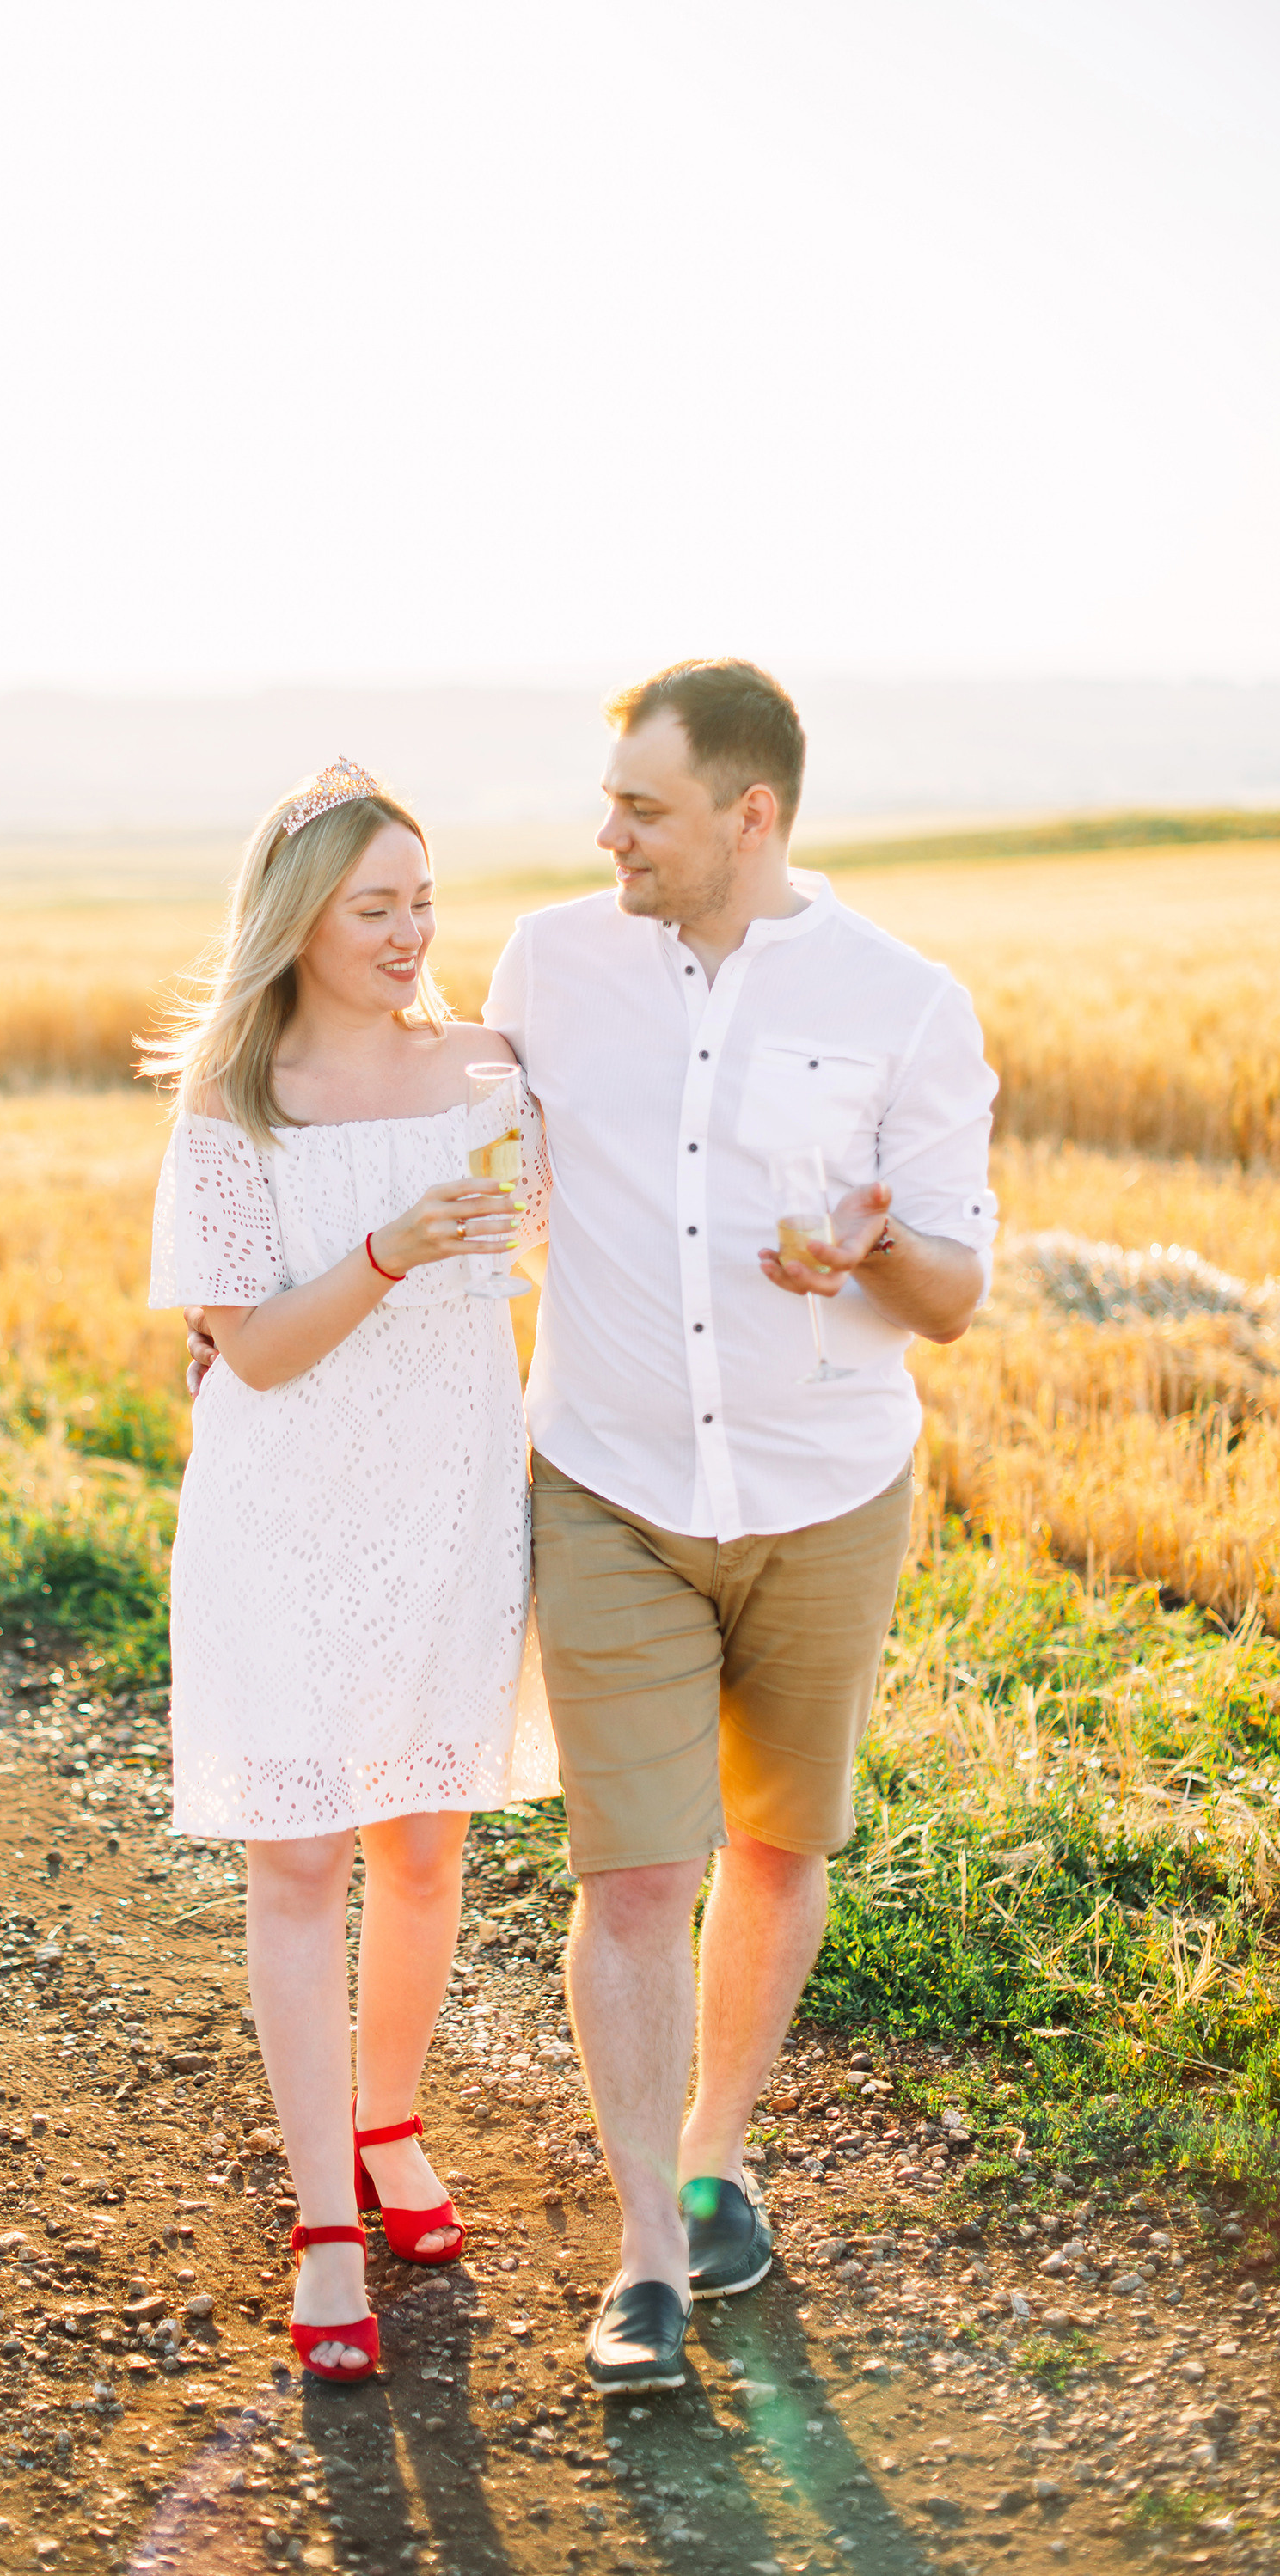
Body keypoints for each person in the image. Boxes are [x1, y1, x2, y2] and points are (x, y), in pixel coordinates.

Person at [481, 658, 998, 2392]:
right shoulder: (548, 961)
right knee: (632, 1872)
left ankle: (713, 2159)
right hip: (608, 1483)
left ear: (749, 816)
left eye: (642, 807)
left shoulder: (906, 1002)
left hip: (824, 1494)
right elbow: (471, 1168)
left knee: (780, 1845)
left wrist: (870, 1249)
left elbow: (952, 1289)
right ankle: (645, 2256)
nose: (604, 833)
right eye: (606, 801)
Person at [146, 756, 554, 2385]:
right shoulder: (232, 1108)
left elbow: (551, 1246)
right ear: (303, 918)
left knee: (431, 1843)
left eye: (424, 899)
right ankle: (326, 2216)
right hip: (287, 1502)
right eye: (376, 906)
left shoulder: (486, 1066)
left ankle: (393, 2120)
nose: (410, 931)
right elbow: (246, 1357)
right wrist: (391, 1246)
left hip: (454, 1489)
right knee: (303, 1863)